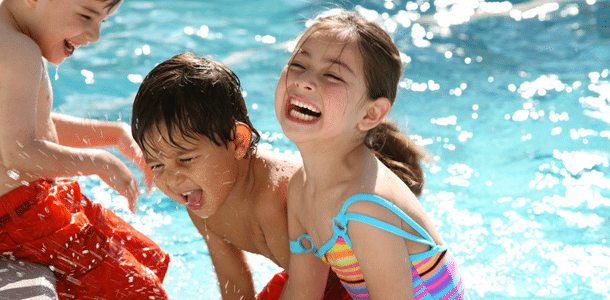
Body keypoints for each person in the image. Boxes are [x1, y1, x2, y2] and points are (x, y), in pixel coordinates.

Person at [274, 9, 469, 300]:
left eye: (331, 75)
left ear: (371, 113)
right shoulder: (301, 188)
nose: (304, 80)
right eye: (299, 64)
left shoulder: (366, 206)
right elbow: (303, 291)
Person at [131, 52, 350, 300]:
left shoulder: (273, 202)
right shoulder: (201, 204)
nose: (172, 178)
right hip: (310, 280)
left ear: (237, 142)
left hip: (362, 282)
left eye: (186, 159)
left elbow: (310, 290)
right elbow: (234, 284)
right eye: (157, 165)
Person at [0, 0, 170, 299]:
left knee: (144, 255)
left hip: (25, 210)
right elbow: (17, 152)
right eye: (86, 16)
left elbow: (28, 124)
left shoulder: (11, 38)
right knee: (140, 291)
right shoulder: (18, 51)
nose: (95, 35)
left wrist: (112, 135)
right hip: (19, 217)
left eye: (101, 21)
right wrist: (99, 162)